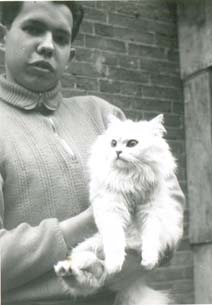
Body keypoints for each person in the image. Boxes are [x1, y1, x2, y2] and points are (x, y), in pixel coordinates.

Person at [0, 1, 185, 305]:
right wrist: (87, 222)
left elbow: (170, 196)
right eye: (33, 29)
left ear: (70, 56)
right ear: (3, 37)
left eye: (61, 37)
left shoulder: (102, 114)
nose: (47, 46)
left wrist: (134, 263)